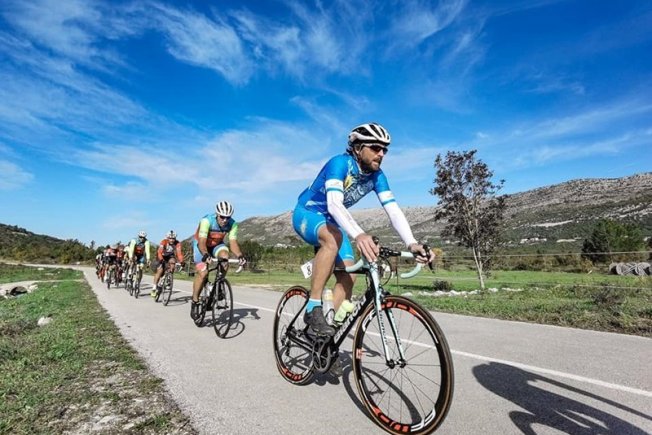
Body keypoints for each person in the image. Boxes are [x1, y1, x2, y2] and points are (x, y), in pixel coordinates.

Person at [293, 122, 435, 338]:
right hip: (308, 213)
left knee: (349, 276)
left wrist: (411, 243)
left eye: (385, 149)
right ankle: (313, 307)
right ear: (358, 148)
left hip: (333, 222)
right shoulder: (340, 163)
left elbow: (394, 211)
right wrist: (359, 235)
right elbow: (334, 204)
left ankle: (320, 337)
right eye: (376, 148)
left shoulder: (377, 176)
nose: (382, 154)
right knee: (333, 238)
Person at [190, 201, 246, 320]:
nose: (225, 220)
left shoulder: (233, 224)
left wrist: (240, 255)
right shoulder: (206, 221)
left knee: (225, 257)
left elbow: (233, 243)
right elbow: (202, 242)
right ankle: (195, 301)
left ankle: (218, 284)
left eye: (228, 217)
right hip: (200, 245)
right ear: (217, 214)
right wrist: (205, 254)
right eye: (222, 217)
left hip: (216, 245)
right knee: (203, 273)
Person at [152, 230, 185, 297]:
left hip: (170, 256)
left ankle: (168, 279)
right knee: (160, 270)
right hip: (162, 256)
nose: (172, 240)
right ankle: (154, 287)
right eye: (170, 238)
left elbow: (179, 254)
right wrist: (161, 259)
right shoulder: (163, 241)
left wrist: (181, 261)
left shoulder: (177, 243)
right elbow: (159, 252)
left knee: (173, 263)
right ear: (167, 238)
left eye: (173, 238)